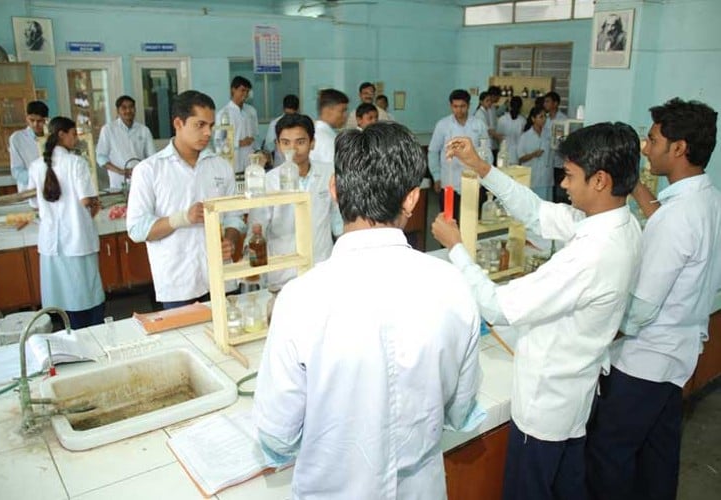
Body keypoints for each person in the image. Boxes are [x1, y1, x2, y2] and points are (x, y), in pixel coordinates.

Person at [254, 122, 483, 499]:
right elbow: (460, 412)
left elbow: (277, 435)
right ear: (412, 199)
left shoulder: (300, 299)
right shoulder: (453, 286)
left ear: (334, 190)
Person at [431, 122, 642, 500]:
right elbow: (538, 213)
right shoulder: (620, 225)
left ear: (600, 181)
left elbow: (497, 306)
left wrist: (457, 249)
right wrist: (482, 167)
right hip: (574, 396)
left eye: (571, 176)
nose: (563, 184)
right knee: (567, 487)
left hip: (546, 404)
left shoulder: (591, 255)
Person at [586, 98, 721, 500]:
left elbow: (640, 309)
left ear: (678, 148)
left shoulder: (674, 219)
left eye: (653, 139)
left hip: (644, 362)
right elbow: (660, 212)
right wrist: (634, 184)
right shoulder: (706, 201)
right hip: (677, 358)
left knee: (608, 454)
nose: (646, 148)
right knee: (658, 456)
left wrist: (596, 325)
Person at [126, 90, 245, 309]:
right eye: (200, 125)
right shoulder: (149, 170)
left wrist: (230, 239)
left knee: (226, 336)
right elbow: (137, 229)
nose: (208, 132)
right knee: (186, 341)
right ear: (178, 123)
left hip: (220, 277)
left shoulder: (221, 166)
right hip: (178, 282)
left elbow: (235, 217)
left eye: (210, 125)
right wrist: (182, 218)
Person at [248, 113, 343, 289]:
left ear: (312, 143)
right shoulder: (268, 181)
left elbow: (338, 223)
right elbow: (256, 229)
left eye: (300, 142)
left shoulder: (328, 174)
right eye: (285, 143)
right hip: (283, 272)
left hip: (321, 268)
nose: (293, 149)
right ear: (277, 145)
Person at [27, 117, 105, 329]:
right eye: (73, 134)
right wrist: (96, 205)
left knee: (61, 295)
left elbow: (33, 202)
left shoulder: (36, 166)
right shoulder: (76, 163)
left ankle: (67, 334)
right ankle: (91, 334)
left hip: (52, 243)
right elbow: (86, 200)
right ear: (61, 134)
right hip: (77, 240)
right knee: (85, 293)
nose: (76, 138)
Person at [427, 88, 490, 221]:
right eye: (455, 106)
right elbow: (433, 151)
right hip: (449, 182)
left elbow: (487, 152)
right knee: (449, 222)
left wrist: (485, 173)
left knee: (471, 223)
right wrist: (436, 176)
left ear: (468, 105)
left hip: (473, 181)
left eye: (462, 106)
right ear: (451, 106)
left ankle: (468, 243)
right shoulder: (443, 125)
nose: (459, 110)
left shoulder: (479, 125)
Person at [96, 95, 156, 190]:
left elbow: (152, 157)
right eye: (124, 108)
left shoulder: (143, 130)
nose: (128, 111)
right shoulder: (108, 130)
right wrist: (121, 171)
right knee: (121, 204)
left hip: (141, 180)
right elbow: (101, 158)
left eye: (131, 107)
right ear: (118, 111)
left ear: (135, 109)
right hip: (118, 182)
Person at [215, 76, 258, 173]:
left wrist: (258, 151)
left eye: (247, 91)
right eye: (242, 90)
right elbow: (218, 141)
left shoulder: (251, 111)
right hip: (232, 162)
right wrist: (239, 143)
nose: (245, 94)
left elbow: (255, 136)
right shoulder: (224, 114)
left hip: (249, 161)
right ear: (233, 90)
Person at [9, 100, 49, 193]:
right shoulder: (17, 138)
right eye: (32, 120)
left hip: (52, 189)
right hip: (29, 191)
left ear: (46, 120)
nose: (35, 124)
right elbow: (16, 171)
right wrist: (37, 178)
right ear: (27, 118)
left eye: (39, 121)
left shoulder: (52, 137)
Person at [517, 105, 552, 200]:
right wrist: (533, 154)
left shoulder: (550, 134)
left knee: (546, 204)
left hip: (546, 176)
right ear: (533, 119)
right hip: (532, 177)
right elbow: (520, 158)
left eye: (545, 116)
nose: (544, 119)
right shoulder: (525, 136)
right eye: (541, 117)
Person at [309, 88, 349, 164]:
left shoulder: (315, 132)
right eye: (343, 111)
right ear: (327, 111)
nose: (346, 115)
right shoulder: (327, 140)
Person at [543, 91, 568, 202]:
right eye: (545, 101)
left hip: (558, 159)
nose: (545, 104)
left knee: (558, 189)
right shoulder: (545, 118)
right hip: (545, 158)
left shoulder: (563, 119)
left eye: (548, 101)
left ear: (555, 103)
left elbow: (563, 139)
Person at [263, 94, 299, 167]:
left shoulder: (302, 124)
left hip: (298, 164)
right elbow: (268, 147)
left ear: (297, 110)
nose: (289, 118)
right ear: (283, 108)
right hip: (280, 164)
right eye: (287, 114)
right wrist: (276, 142)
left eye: (292, 115)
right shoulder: (275, 123)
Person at [497, 96, 526, 164]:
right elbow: (498, 136)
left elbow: (498, 137)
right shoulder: (503, 119)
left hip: (511, 154)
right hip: (508, 154)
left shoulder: (522, 121)